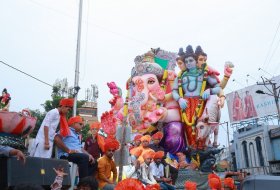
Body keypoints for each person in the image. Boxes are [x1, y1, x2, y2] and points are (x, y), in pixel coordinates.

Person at [172, 45, 221, 147]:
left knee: (201, 125)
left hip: (200, 103)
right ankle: (192, 150)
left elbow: (218, 88)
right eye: (187, 61)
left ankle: (202, 149)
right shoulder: (180, 76)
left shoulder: (204, 74)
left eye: (191, 60)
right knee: (188, 128)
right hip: (186, 104)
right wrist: (179, 99)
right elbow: (174, 91)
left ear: (196, 61)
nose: (189, 63)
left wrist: (209, 90)